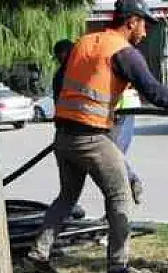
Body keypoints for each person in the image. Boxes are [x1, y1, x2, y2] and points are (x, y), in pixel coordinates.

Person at [28, 0, 168, 273]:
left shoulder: (84, 42)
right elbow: (157, 94)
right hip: (90, 138)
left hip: (63, 136)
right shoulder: (123, 52)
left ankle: (39, 252)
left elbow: (63, 83)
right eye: (144, 24)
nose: (146, 31)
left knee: (67, 197)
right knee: (120, 197)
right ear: (131, 21)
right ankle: (119, 269)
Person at [53, 39, 144, 205]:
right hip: (93, 121)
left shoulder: (85, 68)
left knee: (113, 154)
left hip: (118, 112)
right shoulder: (69, 73)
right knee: (110, 158)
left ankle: (131, 183)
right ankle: (128, 187)